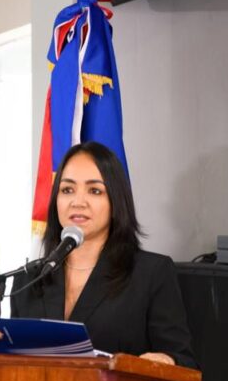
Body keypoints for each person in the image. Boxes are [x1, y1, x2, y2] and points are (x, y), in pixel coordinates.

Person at [11, 141, 195, 368]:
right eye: (67, 190)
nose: (78, 202)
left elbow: (184, 362)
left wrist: (166, 360)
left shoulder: (151, 274)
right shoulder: (28, 280)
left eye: (95, 191)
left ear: (115, 201)